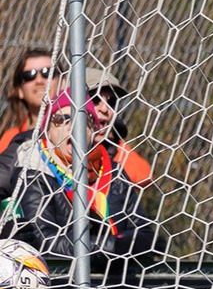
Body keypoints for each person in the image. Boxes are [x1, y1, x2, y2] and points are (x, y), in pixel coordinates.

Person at [9, 88, 162, 259]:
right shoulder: (33, 170)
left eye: (84, 119)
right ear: (48, 131)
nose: (73, 126)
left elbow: (146, 235)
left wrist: (123, 246)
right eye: (61, 119)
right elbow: (46, 241)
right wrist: (111, 247)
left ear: (93, 131)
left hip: (117, 278)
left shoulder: (114, 171)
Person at [0, 47, 54, 159]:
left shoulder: (79, 129)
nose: (39, 81)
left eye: (47, 73)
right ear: (20, 90)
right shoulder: (11, 138)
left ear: (63, 81)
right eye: (29, 75)